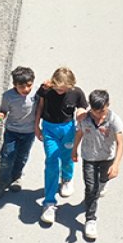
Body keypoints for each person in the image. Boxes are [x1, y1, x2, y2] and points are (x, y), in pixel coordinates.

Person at [36, 67, 88, 226]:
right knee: (51, 161)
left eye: (63, 89)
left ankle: (67, 178)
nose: (60, 91)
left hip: (68, 129)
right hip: (49, 129)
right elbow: (40, 106)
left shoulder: (77, 92)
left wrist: (81, 114)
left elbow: (81, 107)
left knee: (67, 157)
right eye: (57, 87)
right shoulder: (46, 89)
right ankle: (49, 203)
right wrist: (36, 126)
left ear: (71, 86)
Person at [72, 89, 123, 241]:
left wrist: (116, 165)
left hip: (106, 157)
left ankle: (103, 183)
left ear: (108, 105)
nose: (98, 115)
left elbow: (121, 144)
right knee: (91, 189)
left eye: (102, 111)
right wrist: (74, 150)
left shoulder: (114, 120)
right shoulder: (85, 118)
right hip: (89, 157)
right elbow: (79, 133)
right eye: (95, 112)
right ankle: (90, 219)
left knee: (103, 179)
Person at [0, 66, 38, 199]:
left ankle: (16, 177)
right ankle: (1, 182)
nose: (26, 90)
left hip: (28, 132)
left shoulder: (37, 94)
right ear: (14, 85)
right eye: (21, 86)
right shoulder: (8, 96)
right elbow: (4, 111)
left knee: (22, 156)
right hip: (12, 131)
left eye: (29, 85)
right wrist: (1, 115)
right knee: (7, 157)